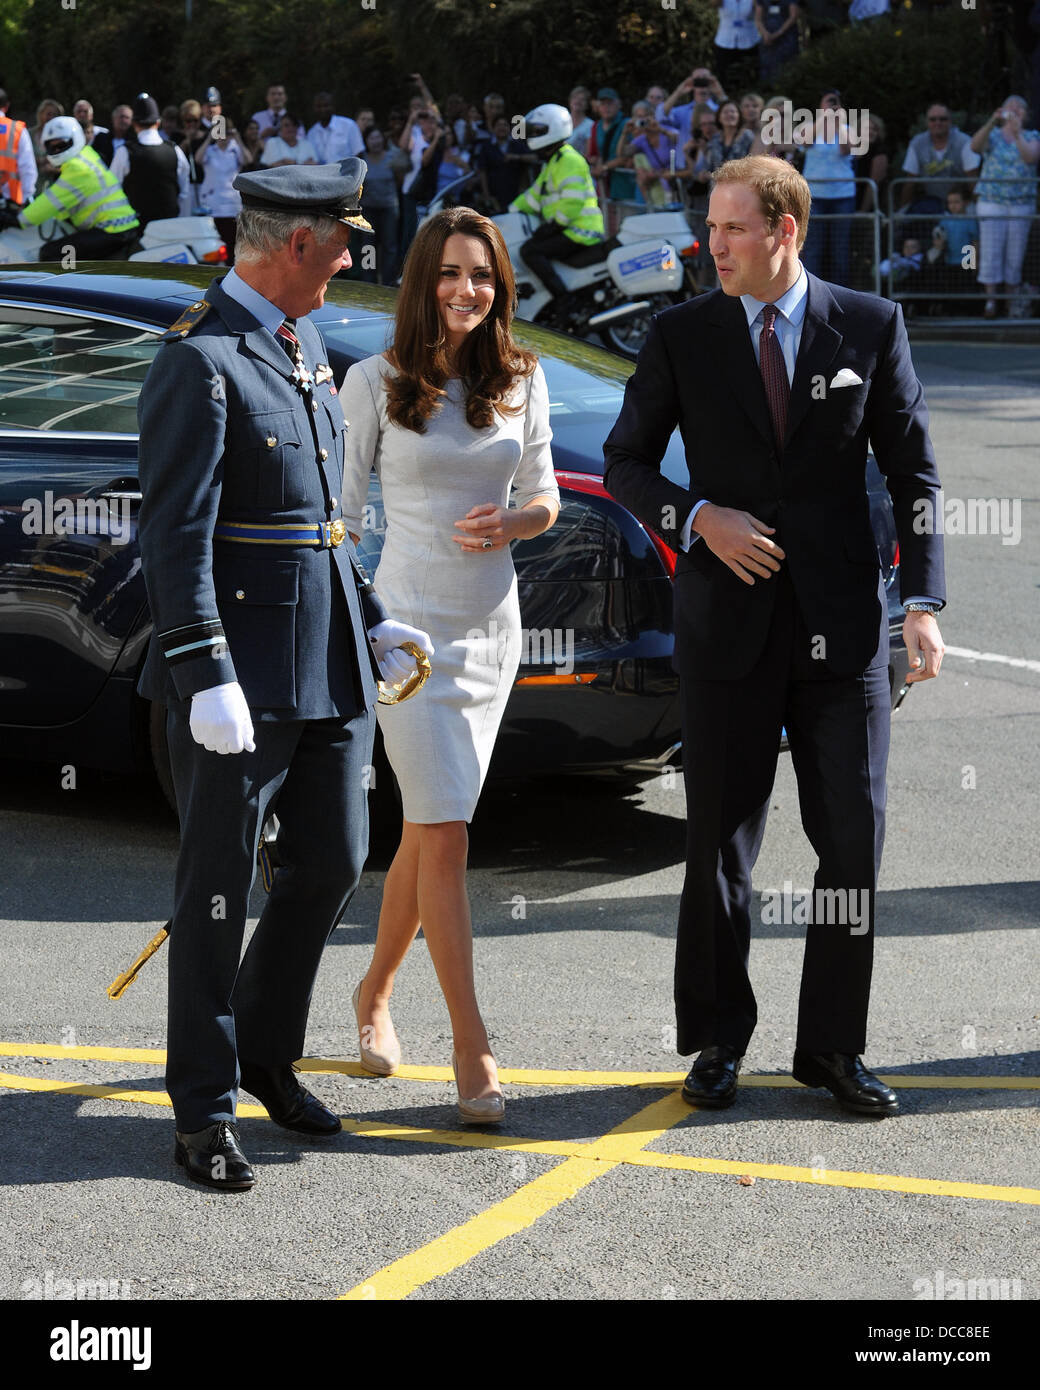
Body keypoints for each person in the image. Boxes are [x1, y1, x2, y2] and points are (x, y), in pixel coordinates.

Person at [603, 155, 945, 1118]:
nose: (712, 247)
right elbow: (628, 461)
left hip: (845, 632)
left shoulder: (869, 325)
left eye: (732, 230)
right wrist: (696, 515)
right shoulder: (683, 333)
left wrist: (921, 603)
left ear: (785, 231)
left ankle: (833, 1048)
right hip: (727, 632)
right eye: (710, 229)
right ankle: (717, 1039)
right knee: (717, 841)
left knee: (854, 846)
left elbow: (915, 475)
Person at [135, 160, 433, 1190]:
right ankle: (203, 1108)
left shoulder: (297, 344)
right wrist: (202, 669)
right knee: (215, 891)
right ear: (295, 244)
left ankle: (265, 1050)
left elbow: (322, 523)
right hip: (239, 682)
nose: (352, 257)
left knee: (333, 859)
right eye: (342, 240)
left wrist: (377, 620)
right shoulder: (201, 359)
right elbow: (174, 537)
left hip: (326, 666)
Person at [340, 206, 559, 1125]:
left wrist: (513, 522)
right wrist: (354, 619)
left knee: (428, 831)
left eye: (482, 275)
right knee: (449, 831)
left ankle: (372, 996)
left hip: (491, 630)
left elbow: (542, 495)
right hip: (410, 638)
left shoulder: (522, 377)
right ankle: (473, 1041)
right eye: (448, 274)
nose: (466, 291)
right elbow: (341, 516)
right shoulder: (374, 380)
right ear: (421, 280)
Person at [1, 116, 139, 260]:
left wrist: (17, 219)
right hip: (120, 225)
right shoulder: (86, 154)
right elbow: (63, 202)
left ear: (76, 138)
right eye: (52, 146)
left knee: (50, 253)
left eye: (62, 144)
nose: (57, 149)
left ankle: (69, 282)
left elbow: (50, 202)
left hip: (112, 229)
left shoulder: (76, 168)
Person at [510, 103, 605, 312]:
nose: (532, 135)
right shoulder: (553, 162)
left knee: (530, 251)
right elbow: (533, 197)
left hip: (580, 230)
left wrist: (553, 226)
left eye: (536, 131)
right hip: (568, 228)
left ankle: (564, 300)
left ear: (552, 129)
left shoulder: (569, 160)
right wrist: (506, 212)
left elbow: (572, 201)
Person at [969, 96, 1040, 318]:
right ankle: (990, 302)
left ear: (1026, 114)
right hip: (991, 202)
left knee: (1014, 255)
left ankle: (1010, 303)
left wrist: (1017, 134)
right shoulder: (993, 135)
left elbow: (1030, 158)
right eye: (1011, 106)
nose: (1016, 109)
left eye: (1021, 107)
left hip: (1021, 205)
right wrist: (992, 121)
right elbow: (974, 146)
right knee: (990, 252)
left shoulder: (1032, 136)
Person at [797, 88, 857, 285]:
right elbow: (805, 143)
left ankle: (841, 295)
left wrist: (838, 124)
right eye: (827, 102)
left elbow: (846, 150)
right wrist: (824, 119)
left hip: (842, 196)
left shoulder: (849, 129)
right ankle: (812, 292)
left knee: (840, 248)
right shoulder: (809, 127)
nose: (831, 106)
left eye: (834, 103)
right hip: (815, 196)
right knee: (813, 247)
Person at [111, 94, 192, 227]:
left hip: (137, 232)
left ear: (134, 124)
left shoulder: (124, 152)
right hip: (171, 228)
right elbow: (184, 195)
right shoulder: (175, 151)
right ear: (158, 122)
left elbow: (113, 192)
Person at [900, 104, 980, 214]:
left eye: (943, 119)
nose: (938, 123)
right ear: (927, 122)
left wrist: (978, 206)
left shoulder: (964, 142)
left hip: (962, 202)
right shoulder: (917, 143)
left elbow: (973, 178)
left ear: (950, 121)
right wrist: (902, 210)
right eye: (933, 119)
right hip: (931, 203)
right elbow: (910, 180)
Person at [194, 116, 248, 258]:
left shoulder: (235, 149)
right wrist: (208, 138)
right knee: (214, 243)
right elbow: (198, 159)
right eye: (220, 132)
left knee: (232, 244)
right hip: (213, 203)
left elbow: (248, 160)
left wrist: (238, 139)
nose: (223, 136)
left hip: (232, 204)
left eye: (226, 133)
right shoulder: (210, 150)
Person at [359, 125, 400, 283]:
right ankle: (368, 282)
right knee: (368, 247)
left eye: (378, 137)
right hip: (368, 209)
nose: (375, 141)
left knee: (390, 247)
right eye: (371, 138)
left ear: (383, 139)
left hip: (389, 208)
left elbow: (399, 181)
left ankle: (388, 283)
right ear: (366, 141)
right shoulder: (362, 159)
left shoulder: (391, 157)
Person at [712, 0, 761, 94]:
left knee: (749, 74)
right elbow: (713, 4)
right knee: (724, 75)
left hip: (749, 41)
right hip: (725, 41)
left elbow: (761, 9)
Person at [0, 88, 37, 206]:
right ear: (6, 106)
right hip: (10, 201)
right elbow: (27, 169)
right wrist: (26, 197)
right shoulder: (16, 130)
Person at [307, 92, 365, 164]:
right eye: (319, 106)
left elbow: (359, 153)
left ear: (333, 107)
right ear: (314, 108)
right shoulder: (311, 133)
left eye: (326, 105)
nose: (322, 109)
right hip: (320, 174)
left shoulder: (349, 125)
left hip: (346, 173)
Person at [755, 1, 800, 83]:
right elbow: (758, 19)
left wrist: (778, 33)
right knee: (767, 69)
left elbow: (793, 16)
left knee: (786, 69)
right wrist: (765, 34)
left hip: (787, 41)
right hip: (768, 42)